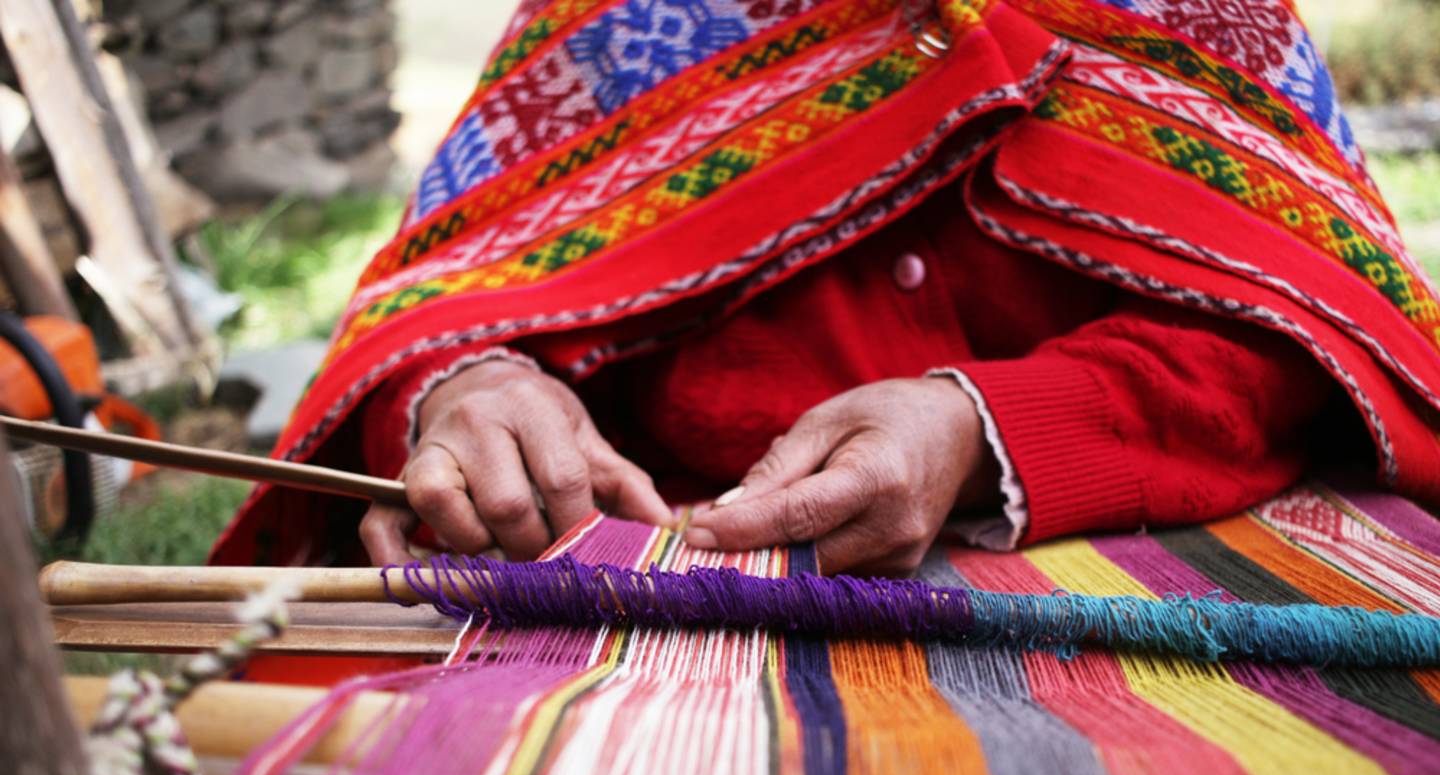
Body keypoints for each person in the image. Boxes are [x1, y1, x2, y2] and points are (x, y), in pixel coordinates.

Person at [214, 0, 1440, 582]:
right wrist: (471, 392)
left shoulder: (1204, 16)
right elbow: (449, 299)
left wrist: (988, 430)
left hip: (1154, 586)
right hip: (641, 612)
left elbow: (1322, 331)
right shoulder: (612, 23)